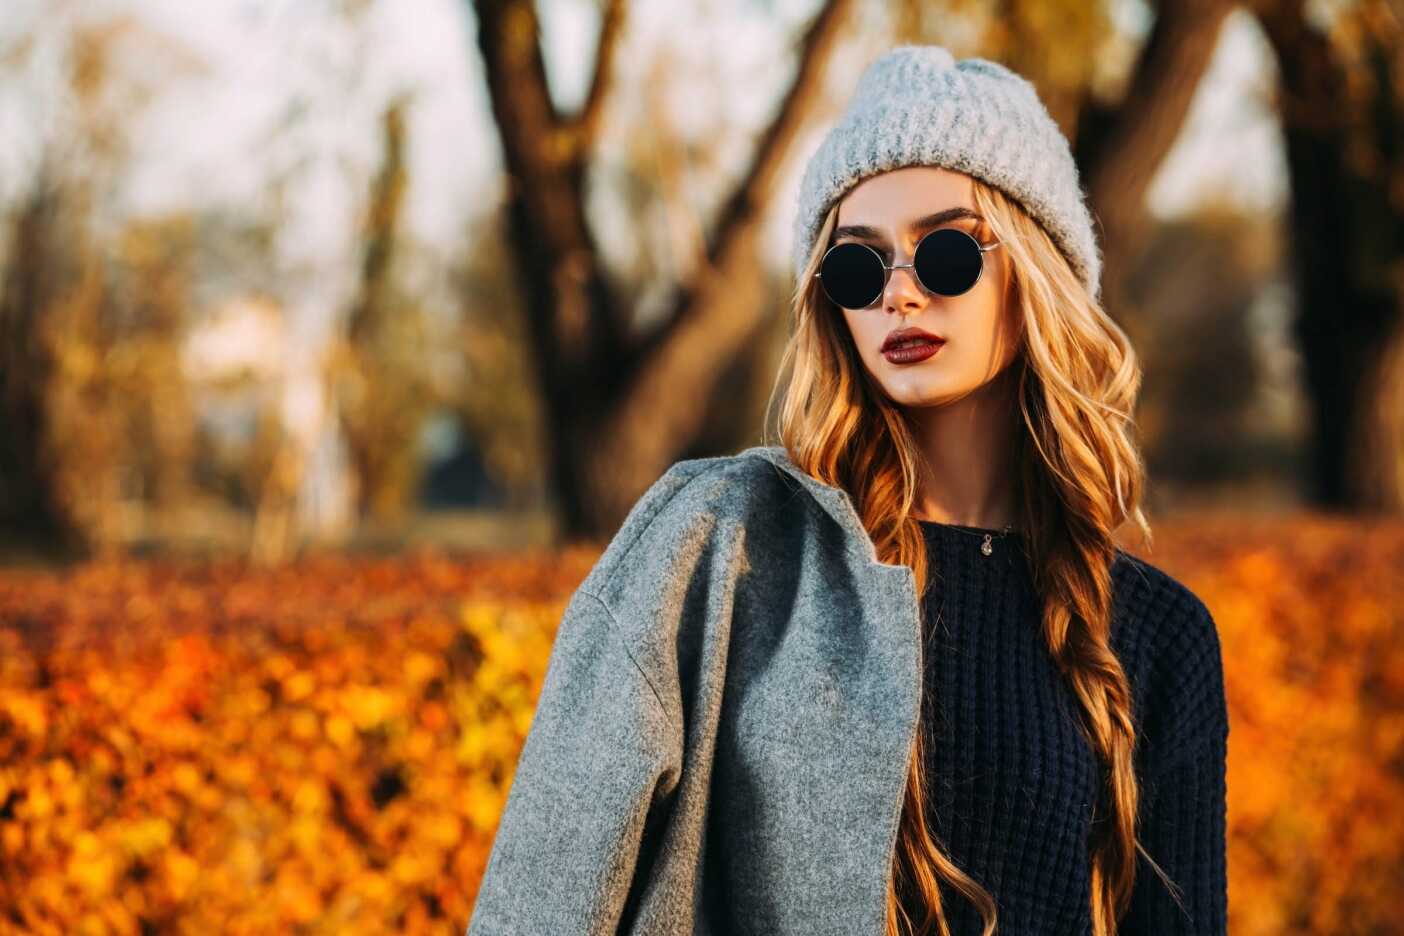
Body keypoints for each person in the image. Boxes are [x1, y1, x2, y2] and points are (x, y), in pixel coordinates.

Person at [464, 44, 1228, 936]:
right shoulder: (726, 547)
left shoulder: (1154, 635)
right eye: (859, 268)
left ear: (1037, 271)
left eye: (945, 255)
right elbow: (548, 887)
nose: (900, 294)